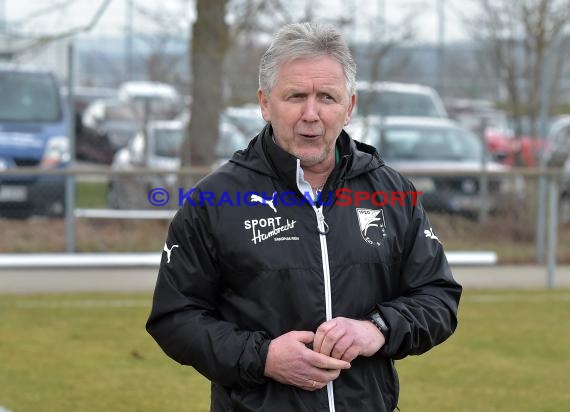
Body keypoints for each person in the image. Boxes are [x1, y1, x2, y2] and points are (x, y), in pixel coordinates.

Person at [146, 22, 462, 412]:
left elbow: (438, 298)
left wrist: (377, 328)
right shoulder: (213, 200)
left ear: (349, 107)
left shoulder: (392, 192)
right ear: (265, 103)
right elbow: (175, 318)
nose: (311, 114)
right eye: (295, 96)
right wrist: (262, 357)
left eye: (327, 97)